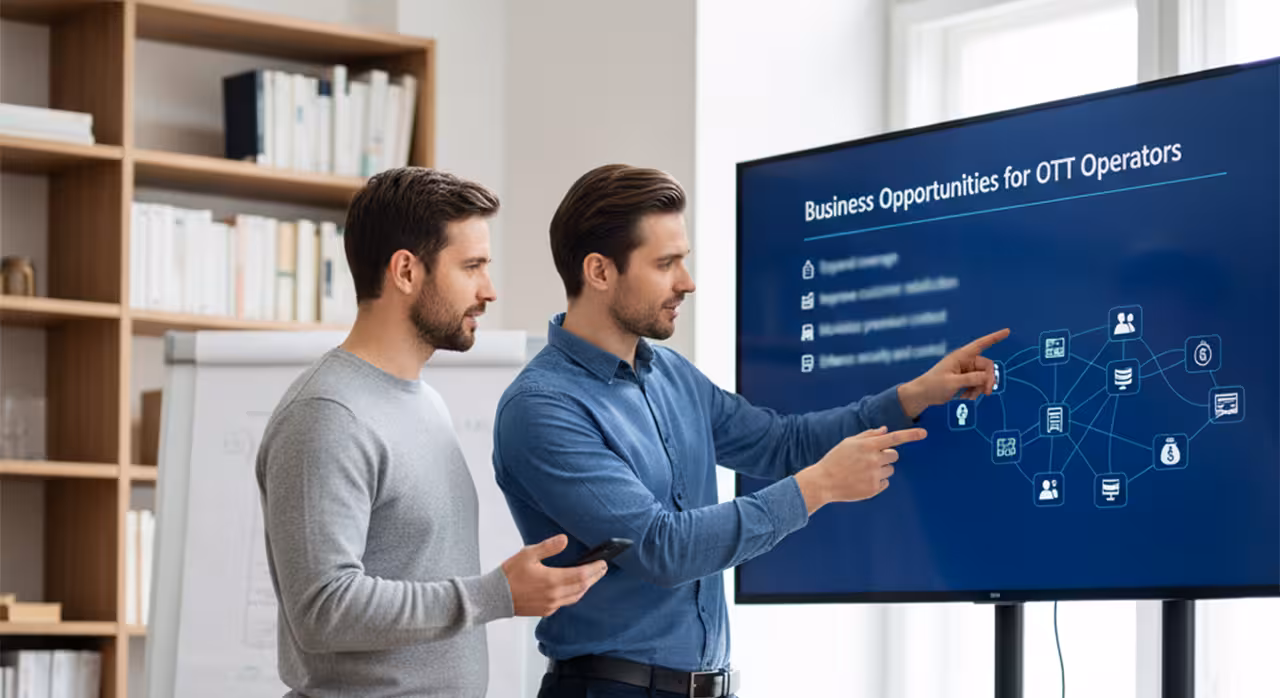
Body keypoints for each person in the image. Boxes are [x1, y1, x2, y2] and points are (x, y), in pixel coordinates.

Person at [491, 164, 1009, 698]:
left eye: (683, 261)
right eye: (666, 264)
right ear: (599, 271)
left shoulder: (672, 375)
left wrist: (912, 396)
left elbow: (781, 443)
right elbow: (661, 548)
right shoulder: (543, 408)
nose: (686, 282)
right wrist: (819, 488)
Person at [255, 168, 608, 698]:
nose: (488, 290)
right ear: (405, 271)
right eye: (472, 267)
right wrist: (495, 595)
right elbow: (323, 610)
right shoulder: (327, 414)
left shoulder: (426, 402)